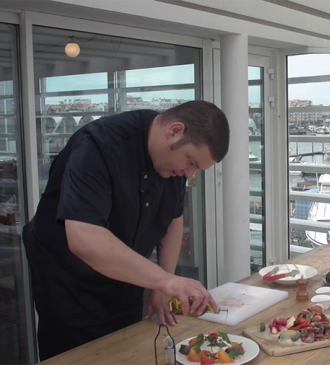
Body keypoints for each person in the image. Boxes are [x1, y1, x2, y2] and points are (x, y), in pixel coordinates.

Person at [22, 100, 230, 361]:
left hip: (125, 273)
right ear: (174, 131)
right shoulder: (98, 146)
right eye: (190, 161)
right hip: (68, 280)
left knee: (125, 347)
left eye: (196, 168)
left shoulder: (173, 165)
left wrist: (162, 283)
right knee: (75, 355)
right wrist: (166, 280)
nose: (189, 174)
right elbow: (83, 237)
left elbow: (173, 220)